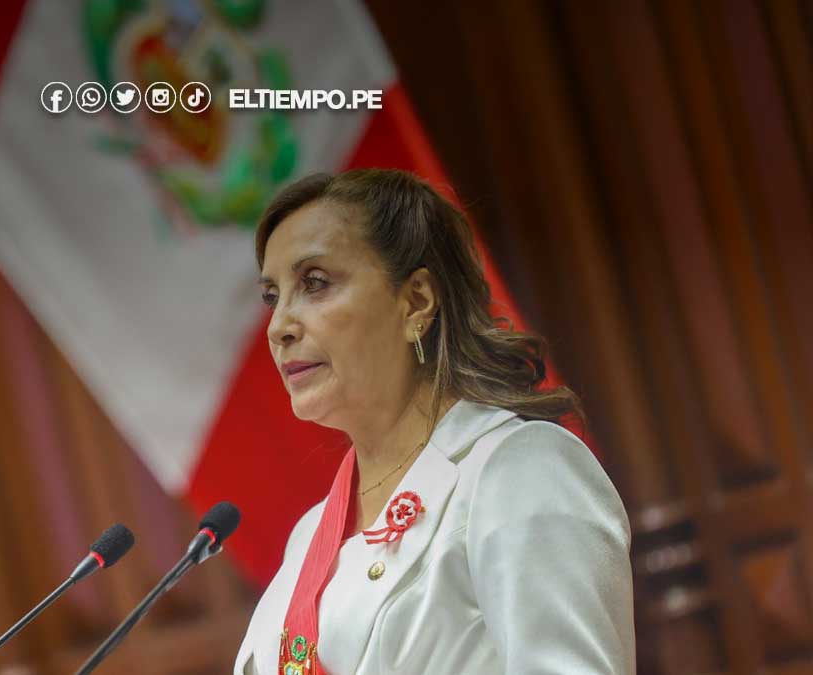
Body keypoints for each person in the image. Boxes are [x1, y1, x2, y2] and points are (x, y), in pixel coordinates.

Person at [233, 169, 634, 674]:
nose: (279, 327)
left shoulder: (520, 470)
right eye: (273, 296)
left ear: (417, 301)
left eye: (315, 283)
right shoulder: (309, 536)